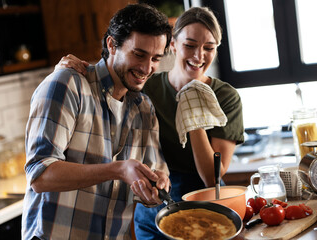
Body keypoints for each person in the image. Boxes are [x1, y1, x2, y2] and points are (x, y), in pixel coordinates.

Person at [55, 6, 245, 239]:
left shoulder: (226, 96)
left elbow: (211, 177)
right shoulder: (145, 88)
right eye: (190, 45)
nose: (199, 56)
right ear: (173, 45)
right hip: (154, 202)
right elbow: (112, 76)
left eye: (209, 48)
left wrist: (194, 114)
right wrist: (69, 71)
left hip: (207, 198)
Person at [22, 3, 173, 240]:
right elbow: (40, 176)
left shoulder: (144, 108)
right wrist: (118, 170)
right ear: (112, 45)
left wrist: (156, 186)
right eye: (139, 54)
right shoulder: (68, 84)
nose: (146, 67)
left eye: (156, 58)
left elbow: (153, 173)